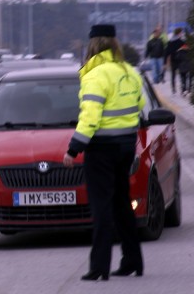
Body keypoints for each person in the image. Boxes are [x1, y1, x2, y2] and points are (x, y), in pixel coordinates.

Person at [62, 24, 145, 281]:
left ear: (92, 45)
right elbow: (139, 106)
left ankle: (99, 268)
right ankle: (132, 261)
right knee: (122, 204)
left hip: (102, 149)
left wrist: (73, 149)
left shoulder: (96, 75)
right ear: (115, 44)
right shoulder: (129, 71)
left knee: (102, 208)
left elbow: (90, 116)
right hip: (126, 145)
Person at [164, 27, 186, 94]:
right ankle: (183, 88)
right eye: (181, 33)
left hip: (173, 60)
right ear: (179, 33)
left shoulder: (170, 41)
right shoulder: (182, 42)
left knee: (173, 74)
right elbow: (186, 50)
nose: (182, 34)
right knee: (182, 74)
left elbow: (167, 52)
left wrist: (165, 62)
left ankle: (173, 88)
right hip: (180, 60)